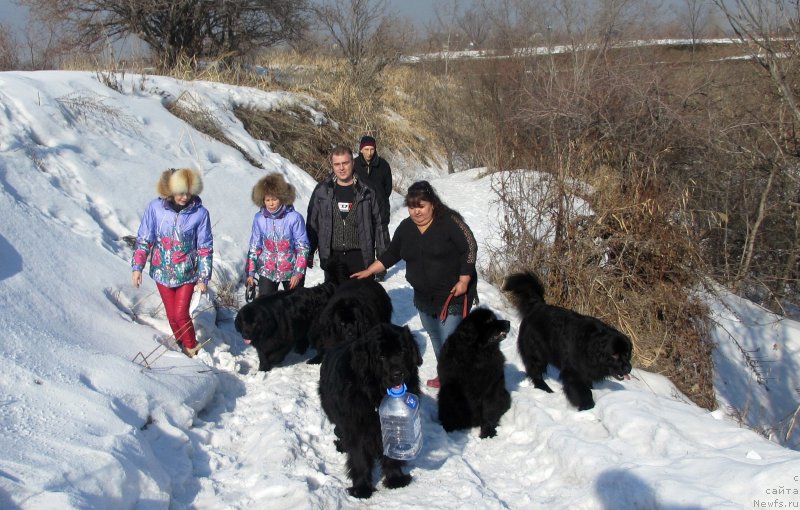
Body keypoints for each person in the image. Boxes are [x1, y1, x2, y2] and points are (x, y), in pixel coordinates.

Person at [352, 180, 478, 388]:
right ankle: (445, 373)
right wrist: (370, 270)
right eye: (412, 207)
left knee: (450, 342)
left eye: (421, 206)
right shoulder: (406, 228)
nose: (416, 211)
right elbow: (392, 253)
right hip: (424, 296)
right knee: (436, 336)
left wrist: (464, 279)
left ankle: (458, 383)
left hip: (453, 294)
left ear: (433, 204)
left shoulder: (449, 222)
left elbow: (470, 246)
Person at [132, 167, 213, 358]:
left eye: (188, 192)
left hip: (187, 272)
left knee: (181, 314)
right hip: (162, 271)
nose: (184, 197)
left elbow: (204, 247)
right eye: (180, 192)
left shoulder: (200, 214)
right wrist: (137, 267)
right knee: (171, 315)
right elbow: (145, 238)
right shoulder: (155, 208)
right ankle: (181, 344)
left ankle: (192, 348)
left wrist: (203, 277)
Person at [306, 145, 389, 281]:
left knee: (361, 300)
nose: (341, 168)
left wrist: (382, 261)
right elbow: (312, 223)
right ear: (332, 165)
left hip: (361, 257)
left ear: (353, 163)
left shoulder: (368, 191)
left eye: (345, 163)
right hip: (332, 258)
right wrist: (309, 252)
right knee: (335, 300)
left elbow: (380, 226)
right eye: (337, 164)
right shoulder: (322, 191)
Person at [245, 173, 310, 297]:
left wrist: (298, 273)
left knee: (294, 307)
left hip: (291, 269)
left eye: (274, 199)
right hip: (267, 269)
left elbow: (303, 247)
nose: (271, 204)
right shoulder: (259, 218)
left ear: (282, 198)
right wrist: (251, 273)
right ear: (263, 200)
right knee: (265, 307)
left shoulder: (294, 218)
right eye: (267, 200)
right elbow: (255, 246)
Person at [353, 135, 393, 227]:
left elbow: (388, 188)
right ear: (361, 150)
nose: (369, 153)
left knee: (382, 240)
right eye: (366, 149)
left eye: (372, 149)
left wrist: (380, 198)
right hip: (359, 211)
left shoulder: (383, 165)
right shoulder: (354, 165)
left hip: (380, 210)